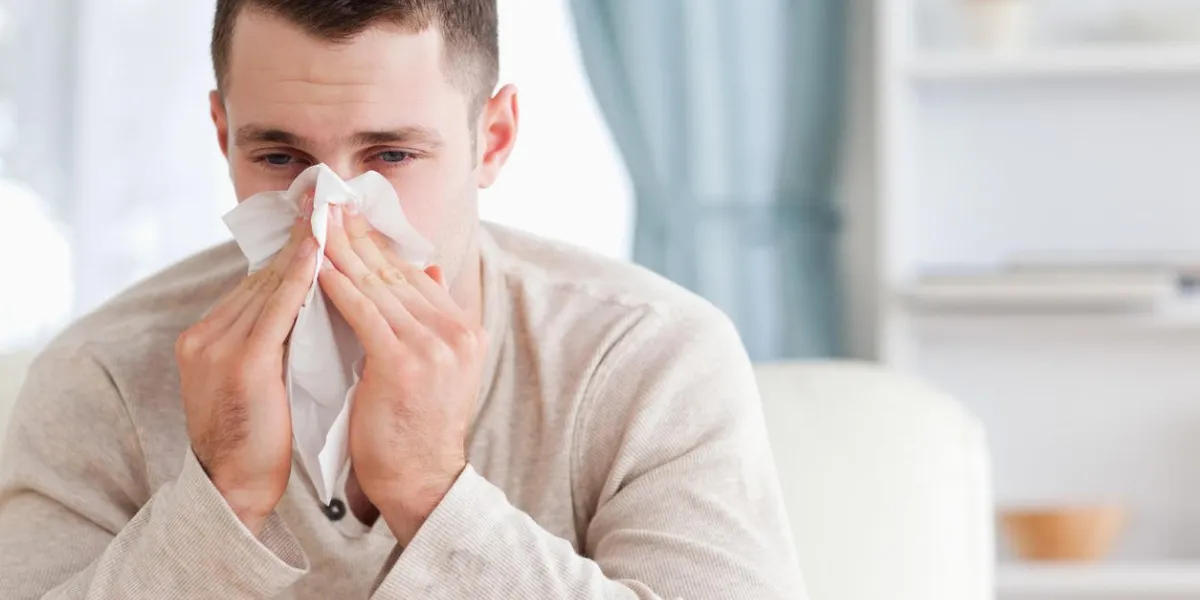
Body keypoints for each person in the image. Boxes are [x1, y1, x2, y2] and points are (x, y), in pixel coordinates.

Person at [0, 1, 806, 598]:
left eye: (390, 154)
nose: (329, 213)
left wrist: (432, 491)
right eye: (280, 157)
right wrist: (222, 498)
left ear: (492, 140)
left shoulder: (649, 358)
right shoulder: (101, 374)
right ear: (223, 136)